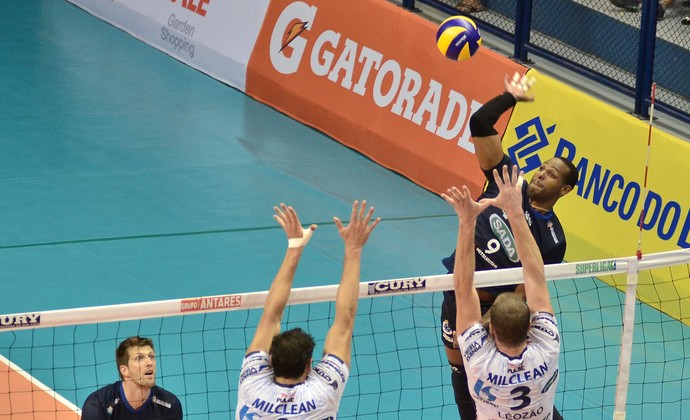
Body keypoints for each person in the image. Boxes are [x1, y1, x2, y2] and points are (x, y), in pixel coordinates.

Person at [439, 73, 578, 419]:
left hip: (496, 314)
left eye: (552, 174)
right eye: (544, 167)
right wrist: (509, 97)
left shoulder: (553, 239)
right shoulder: (508, 180)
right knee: (463, 376)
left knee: (513, 386)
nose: (543, 173)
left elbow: (526, 290)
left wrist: (485, 326)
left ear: (564, 190)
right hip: (458, 298)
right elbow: (480, 122)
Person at [235, 201, 380, 419]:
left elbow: (270, 315)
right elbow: (345, 320)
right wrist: (353, 249)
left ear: (271, 361)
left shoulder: (252, 383)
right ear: (309, 365)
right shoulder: (323, 392)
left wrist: (294, 247)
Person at [443, 164, 561, 420]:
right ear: (531, 326)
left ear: (492, 329)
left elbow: (462, 290)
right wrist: (516, 213)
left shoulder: (479, 362)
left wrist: (467, 221)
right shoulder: (548, 347)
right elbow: (536, 275)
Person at [81, 336, 183, 420]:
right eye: (139, 358)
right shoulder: (98, 405)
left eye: (151, 356)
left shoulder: (170, 405)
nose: (149, 363)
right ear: (124, 370)